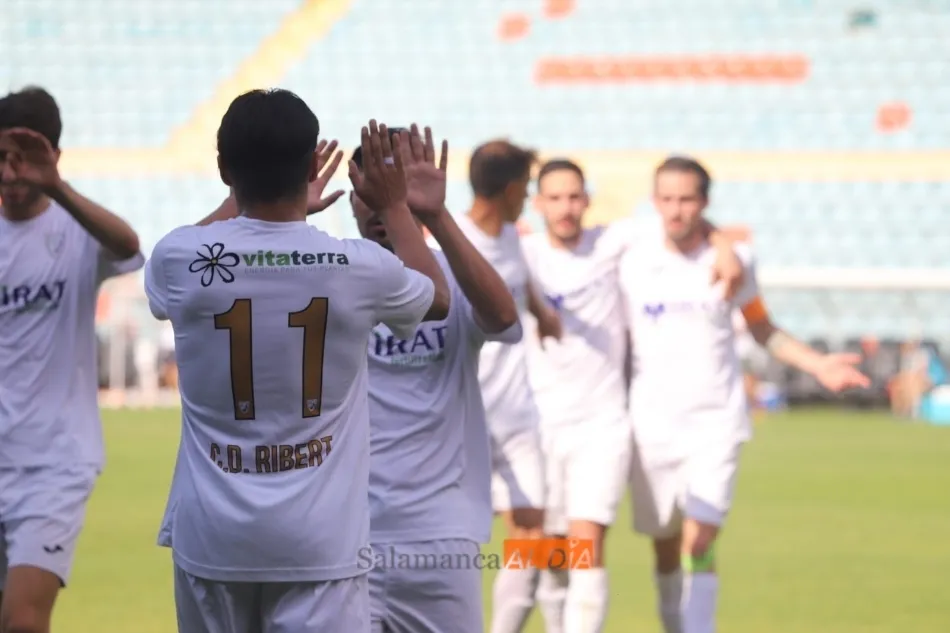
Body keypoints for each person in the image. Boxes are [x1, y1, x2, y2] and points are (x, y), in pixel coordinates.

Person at [143, 90, 450, 633]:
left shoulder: (179, 257)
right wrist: (396, 205)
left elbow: (204, 250)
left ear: (224, 169)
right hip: (321, 546)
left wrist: (254, 208)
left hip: (212, 540)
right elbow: (438, 299)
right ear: (312, 168)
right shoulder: (358, 265)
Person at [621, 156, 870, 633]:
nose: (676, 210)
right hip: (650, 426)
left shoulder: (736, 263)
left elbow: (760, 326)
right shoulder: (630, 257)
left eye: (687, 199)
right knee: (666, 546)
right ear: (654, 201)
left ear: (704, 203)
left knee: (700, 541)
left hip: (716, 423)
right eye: (667, 199)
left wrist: (818, 364)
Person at [522, 159, 743, 633]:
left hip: (602, 424)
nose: (565, 207)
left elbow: (683, 218)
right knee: (541, 552)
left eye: (574, 196)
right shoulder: (521, 255)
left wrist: (725, 245)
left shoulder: (613, 242)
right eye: (554, 198)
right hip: (536, 426)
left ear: (587, 199)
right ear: (537, 203)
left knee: (587, 544)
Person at [354, 125, 520, 632]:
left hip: (439, 537)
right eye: (375, 187)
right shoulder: (332, 275)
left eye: (400, 185)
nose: (387, 202)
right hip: (344, 534)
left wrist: (437, 216)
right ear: (353, 192)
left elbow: (505, 321)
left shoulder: (457, 273)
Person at [0, 86, 144, 633]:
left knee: (22, 621)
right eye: (0, 158)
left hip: (55, 462)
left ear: (53, 156)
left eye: (23, 158)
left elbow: (129, 247)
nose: (10, 173)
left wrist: (56, 187)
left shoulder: (76, 231)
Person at [454, 140, 560, 633]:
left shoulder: (514, 237)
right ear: (511, 188)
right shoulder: (449, 241)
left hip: (517, 416)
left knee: (533, 535)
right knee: (457, 543)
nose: (530, 197)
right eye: (527, 186)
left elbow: (519, 288)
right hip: (463, 420)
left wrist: (543, 314)